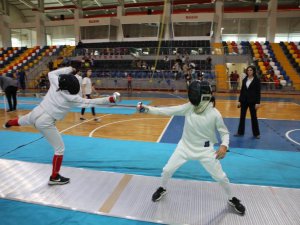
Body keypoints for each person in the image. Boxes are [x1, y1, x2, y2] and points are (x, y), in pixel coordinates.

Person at [136, 80, 246, 215]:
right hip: (185, 147)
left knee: (221, 177)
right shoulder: (189, 107)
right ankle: (162, 188)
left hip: (205, 151)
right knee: (167, 170)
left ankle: (232, 198)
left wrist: (224, 146)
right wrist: (147, 109)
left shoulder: (214, 113)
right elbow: (167, 111)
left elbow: (224, 133)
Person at [3, 66, 121, 185]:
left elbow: (51, 73)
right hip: (46, 123)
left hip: (36, 113)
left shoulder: (54, 82)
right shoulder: (72, 98)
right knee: (59, 149)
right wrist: (110, 99)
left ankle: (7, 124)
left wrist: (70, 68)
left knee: (21, 120)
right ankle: (54, 177)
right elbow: (91, 102)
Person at [235, 65, 261, 139]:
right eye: (248, 70)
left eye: (251, 70)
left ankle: (256, 134)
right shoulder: (244, 80)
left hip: (253, 102)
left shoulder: (256, 80)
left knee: (254, 117)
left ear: (253, 71)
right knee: (242, 117)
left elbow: (258, 92)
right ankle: (240, 132)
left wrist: (257, 102)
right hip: (244, 101)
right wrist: (239, 101)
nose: (249, 71)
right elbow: (242, 91)